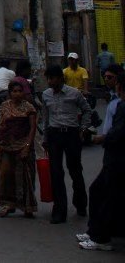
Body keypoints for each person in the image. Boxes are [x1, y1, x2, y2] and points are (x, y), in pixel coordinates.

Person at [77, 65, 125, 251]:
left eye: (111, 78)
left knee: (104, 195)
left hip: (117, 157)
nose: (107, 80)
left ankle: (101, 237)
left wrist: (100, 139)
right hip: (113, 155)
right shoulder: (114, 101)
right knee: (102, 192)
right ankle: (95, 231)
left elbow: (117, 132)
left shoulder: (122, 105)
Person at [41, 64, 91, 224]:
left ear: (61, 78)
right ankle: (59, 210)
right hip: (55, 134)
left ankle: (81, 203)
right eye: (48, 78)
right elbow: (46, 117)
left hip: (71, 134)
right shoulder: (46, 95)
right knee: (56, 173)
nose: (50, 81)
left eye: (53, 78)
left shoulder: (74, 93)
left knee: (75, 170)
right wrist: (45, 138)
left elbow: (87, 110)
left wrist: (83, 128)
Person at [0, 80, 38, 217]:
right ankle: (8, 204)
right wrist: (0, 145)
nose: (17, 94)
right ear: (10, 93)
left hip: (23, 145)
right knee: (6, 175)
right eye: (14, 91)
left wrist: (27, 146)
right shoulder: (4, 106)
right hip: (7, 146)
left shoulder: (29, 107)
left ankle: (27, 206)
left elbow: (32, 129)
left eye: (20, 91)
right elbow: (1, 125)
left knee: (25, 176)